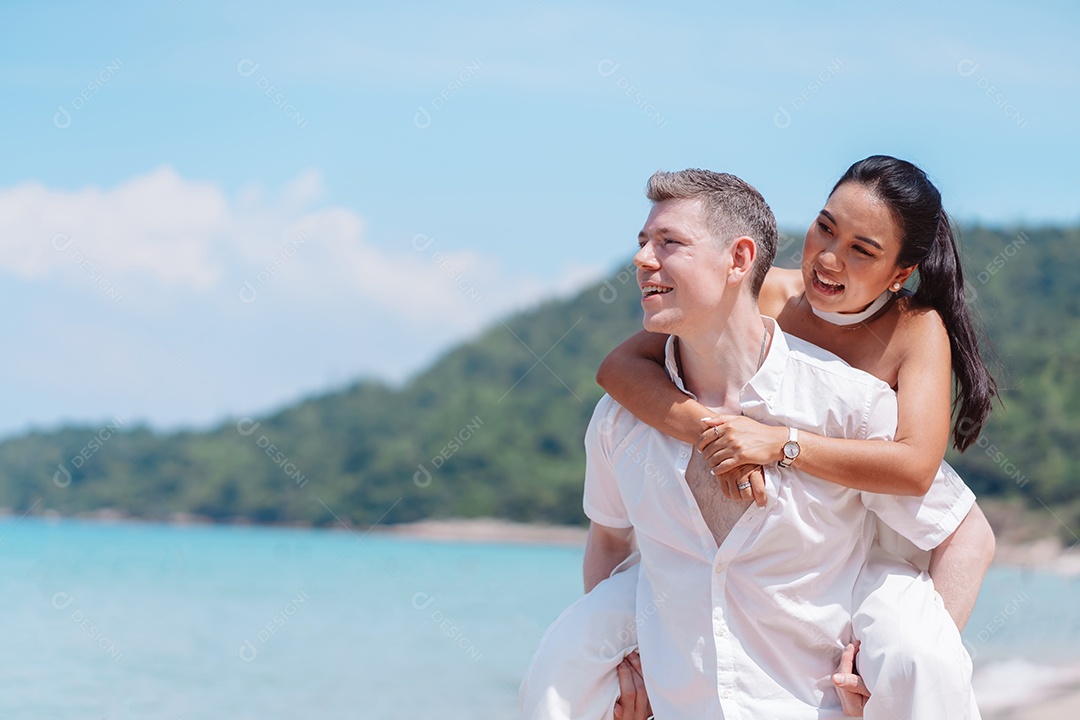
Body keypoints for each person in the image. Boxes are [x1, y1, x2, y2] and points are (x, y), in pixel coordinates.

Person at [519, 166, 989, 720]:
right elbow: (620, 368)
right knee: (567, 656)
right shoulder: (764, 292)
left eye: (862, 250)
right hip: (761, 547)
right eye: (824, 227)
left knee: (917, 656)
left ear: (899, 272)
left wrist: (778, 444)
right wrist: (712, 433)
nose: (829, 259)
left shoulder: (912, 331)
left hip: (873, 533)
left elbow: (915, 469)